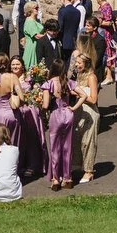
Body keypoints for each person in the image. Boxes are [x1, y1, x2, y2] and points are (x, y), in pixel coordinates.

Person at [43, 59, 76, 190]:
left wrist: (41, 108)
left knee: (55, 147)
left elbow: (45, 105)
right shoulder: (67, 82)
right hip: (68, 113)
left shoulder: (49, 83)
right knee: (68, 146)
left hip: (56, 114)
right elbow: (83, 94)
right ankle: (67, 178)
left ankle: (56, 178)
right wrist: (74, 107)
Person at [14, 57, 47, 181]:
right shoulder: (9, 78)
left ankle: (33, 165)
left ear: (22, 66)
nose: (15, 67)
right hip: (16, 111)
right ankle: (19, 164)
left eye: (17, 64)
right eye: (13, 65)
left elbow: (38, 91)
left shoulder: (30, 78)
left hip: (29, 110)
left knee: (32, 138)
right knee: (19, 139)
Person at [72, 53, 101, 185]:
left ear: (86, 64)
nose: (76, 65)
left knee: (88, 142)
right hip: (79, 112)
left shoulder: (91, 77)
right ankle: (77, 165)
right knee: (77, 140)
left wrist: (79, 93)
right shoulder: (79, 76)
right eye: (76, 62)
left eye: (79, 63)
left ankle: (89, 171)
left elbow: (94, 99)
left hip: (90, 113)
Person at [21, 0, 43, 70]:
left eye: (37, 8)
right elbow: (36, 36)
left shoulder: (34, 20)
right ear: (30, 10)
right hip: (32, 47)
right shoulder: (30, 21)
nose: (37, 9)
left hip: (36, 46)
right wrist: (49, 36)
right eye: (35, 8)